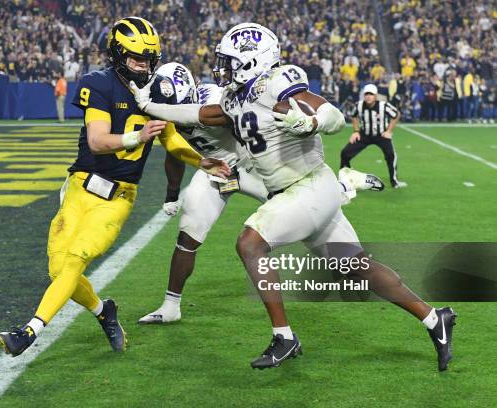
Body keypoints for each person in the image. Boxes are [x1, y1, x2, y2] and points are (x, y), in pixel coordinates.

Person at [131, 22, 456, 372]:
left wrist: (313, 123)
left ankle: (284, 337)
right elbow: (196, 113)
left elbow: (332, 114)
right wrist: (151, 105)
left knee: (250, 243)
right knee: (355, 268)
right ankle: (433, 318)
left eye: (229, 60)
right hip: (302, 192)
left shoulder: (277, 82)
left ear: (251, 59)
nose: (222, 68)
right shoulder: (234, 97)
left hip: (307, 187)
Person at [0, 17, 230, 358]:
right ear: (118, 55)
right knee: (59, 269)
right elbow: (97, 141)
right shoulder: (99, 83)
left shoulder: (156, 92)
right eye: (136, 57)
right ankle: (104, 311)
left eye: (149, 58)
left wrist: (202, 161)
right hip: (79, 186)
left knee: (76, 260)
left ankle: (30, 331)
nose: (145, 65)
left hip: (118, 196)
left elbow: (172, 142)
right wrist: (138, 135)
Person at [137, 63, 383, 325]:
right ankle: (171, 305)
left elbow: (212, 116)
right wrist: (172, 194)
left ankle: (344, 187)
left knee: (303, 213)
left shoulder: (212, 95)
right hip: (214, 169)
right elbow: (175, 153)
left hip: (252, 166)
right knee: (189, 231)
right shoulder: (168, 115)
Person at [340, 84, 406, 188]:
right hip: (364, 135)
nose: (368, 96)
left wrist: (388, 131)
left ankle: (394, 181)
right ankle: (346, 180)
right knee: (345, 153)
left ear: (375, 96)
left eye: (371, 94)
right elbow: (353, 116)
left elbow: (396, 114)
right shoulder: (359, 105)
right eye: (366, 94)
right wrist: (356, 131)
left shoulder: (383, 106)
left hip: (381, 135)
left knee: (391, 155)